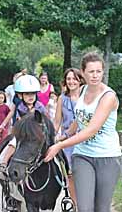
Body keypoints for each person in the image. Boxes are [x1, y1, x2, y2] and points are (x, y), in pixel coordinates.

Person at [45, 52, 122, 212]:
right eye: (91, 72)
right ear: (83, 72)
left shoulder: (108, 97)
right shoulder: (81, 91)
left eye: (98, 71)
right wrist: (63, 135)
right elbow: (78, 120)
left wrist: (60, 145)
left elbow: (91, 130)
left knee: (101, 208)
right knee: (84, 207)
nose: (95, 76)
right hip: (82, 155)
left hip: (107, 157)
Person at [0, 74, 47, 177]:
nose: (31, 97)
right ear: (20, 95)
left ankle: (62, 168)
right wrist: (3, 125)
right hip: (23, 133)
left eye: (33, 94)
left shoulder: (40, 107)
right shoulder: (20, 107)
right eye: (27, 94)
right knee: (13, 142)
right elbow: (18, 120)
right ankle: (4, 162)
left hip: (37, 133)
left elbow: (46, 119)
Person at [53, 68, 85, 205]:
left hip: (84, 139)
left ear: (80, 80)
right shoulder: (62, 99)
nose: (71, 81)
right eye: (68, 79)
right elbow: (57, 121)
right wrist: (53, 137)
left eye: (74, 78)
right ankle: (75, 204)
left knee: (83, 175)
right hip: (67, 142)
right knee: (70, 175)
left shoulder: (86, 97)